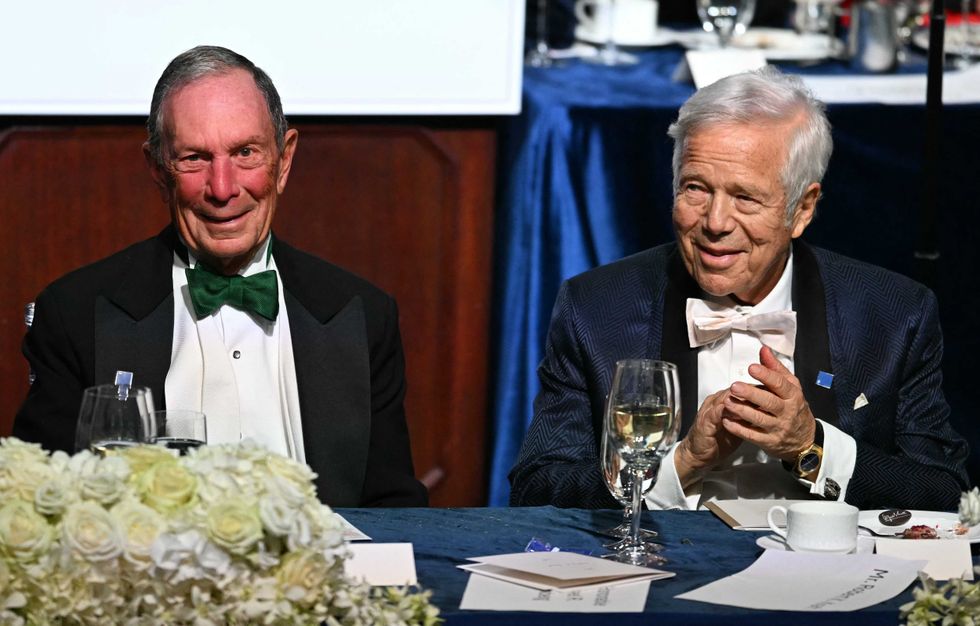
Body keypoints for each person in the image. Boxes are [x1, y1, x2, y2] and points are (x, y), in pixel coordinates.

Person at [509, 65, 969, 511]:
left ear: (802, 209)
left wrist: (812, 447)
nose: (715, 222)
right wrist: (679, 465)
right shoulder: (596, 309)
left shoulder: (892, 314)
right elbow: (538, 488)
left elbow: (942, 491)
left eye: (745, 197)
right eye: (696, 189)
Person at [14, 45, 427, 508]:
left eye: (246, 153)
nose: (223, 189)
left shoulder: (363, 315)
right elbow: (41, 508)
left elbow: (396, 514)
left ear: (284, 160)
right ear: (156, 170)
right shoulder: (75, 315)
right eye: (194, 158)